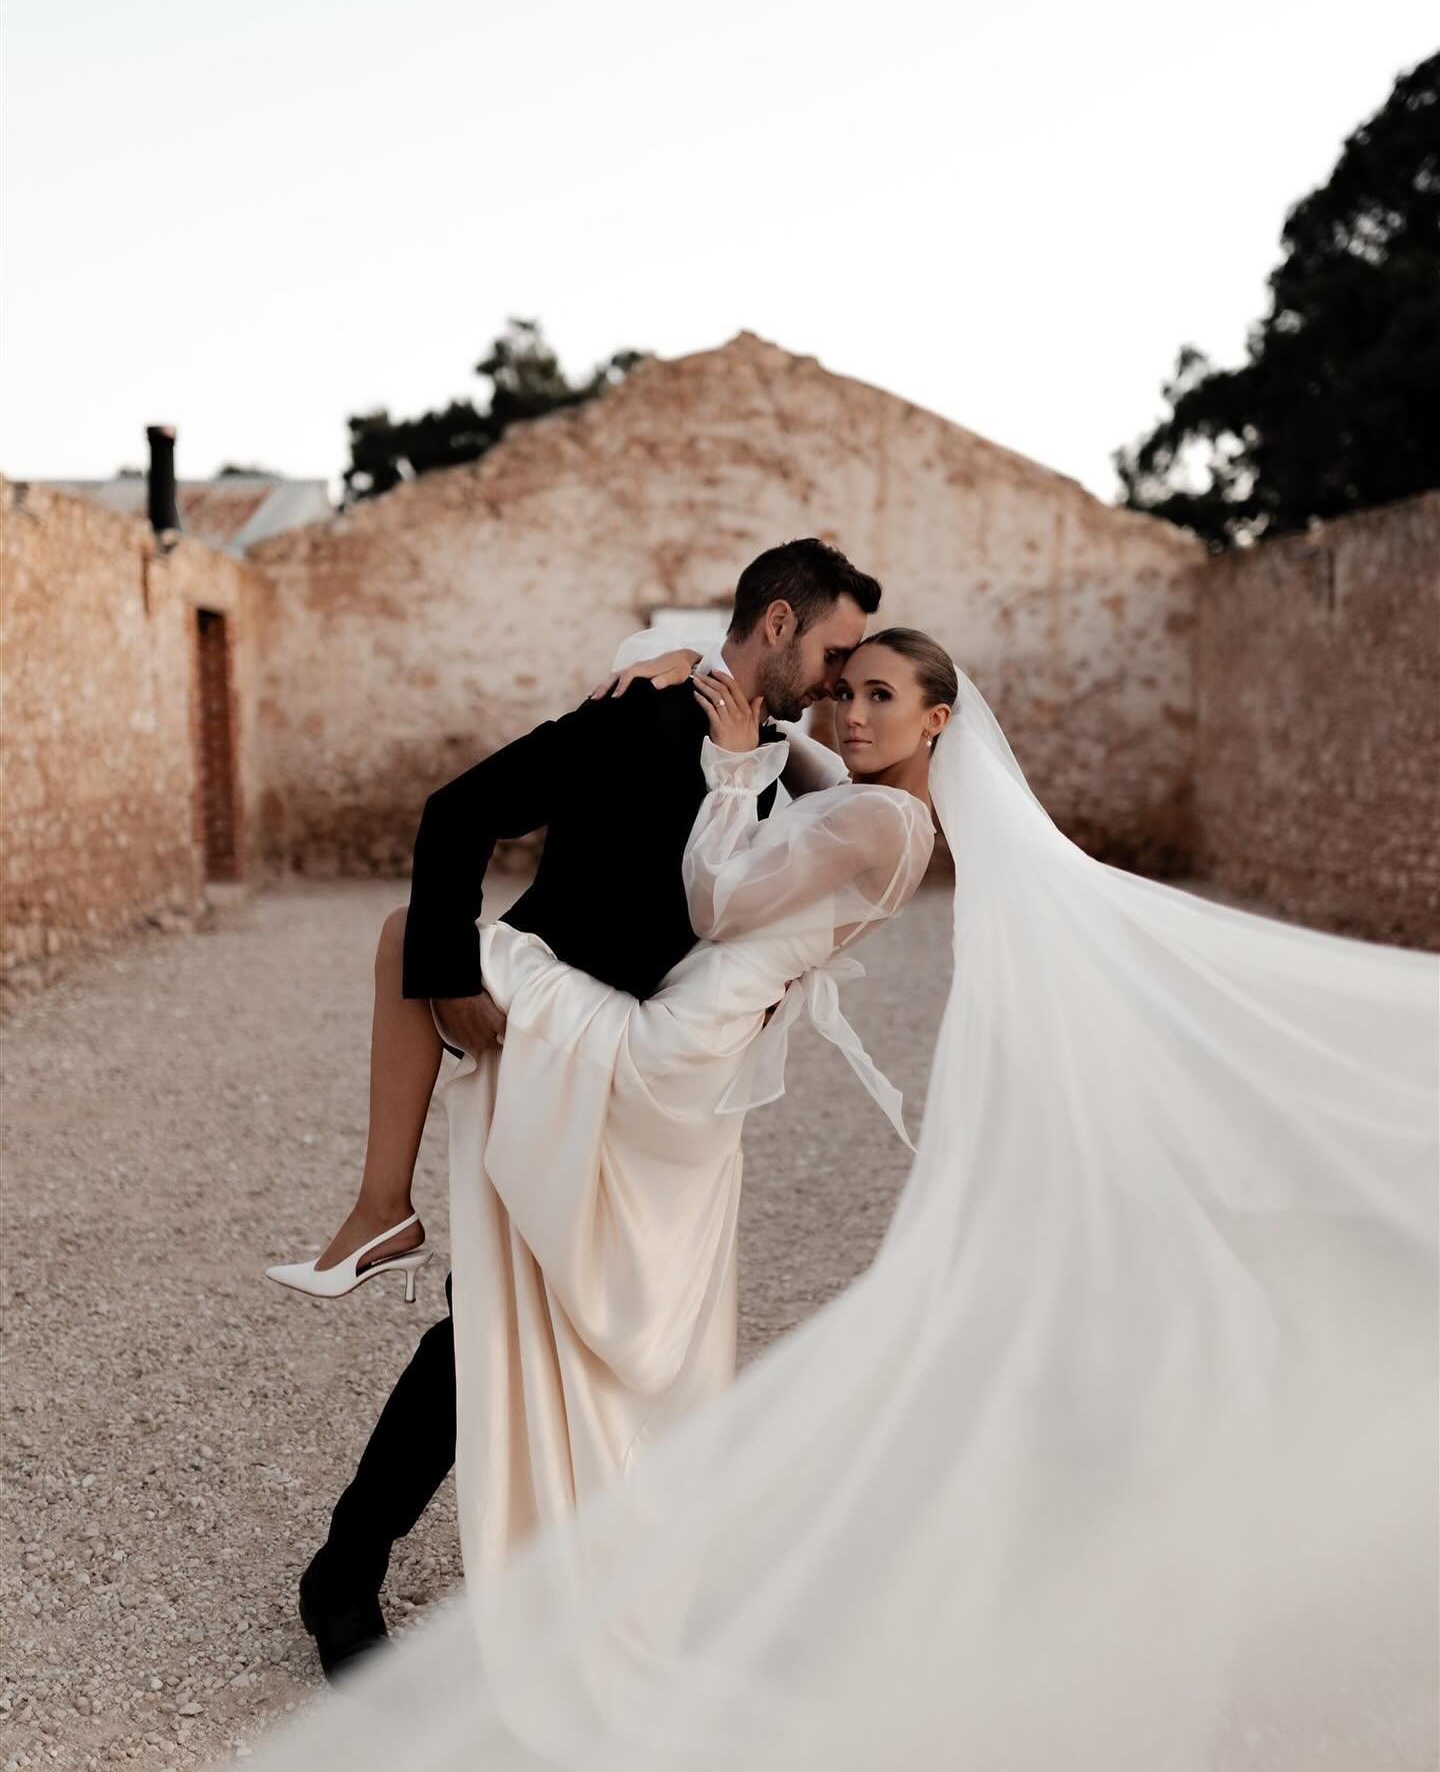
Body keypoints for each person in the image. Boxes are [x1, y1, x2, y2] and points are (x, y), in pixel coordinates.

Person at [247, 637, 1436, 1771]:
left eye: (877, 696)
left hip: (663, 1053)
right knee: (517, 1314)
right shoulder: (871, 792)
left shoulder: (877, 816)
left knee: (420, 938)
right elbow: (794, 738)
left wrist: (722, 762)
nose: (847, 711)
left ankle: (380, 1228)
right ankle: (401, 1545)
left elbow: (718, 897)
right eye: (843, 688)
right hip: (687, 1065)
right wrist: (683, 667)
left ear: (939, 722)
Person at [267, 538, 886, 1678]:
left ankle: (567, 1573)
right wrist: (454, 977)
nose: (845, 682)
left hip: (654, 1089)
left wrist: (667, 651)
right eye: (839, 652)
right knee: (483, 1323)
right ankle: (346, 1571)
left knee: (587, 1344)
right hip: (546, 1038)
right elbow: (456, 814)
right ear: (784, 623)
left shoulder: (794, 769)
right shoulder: (637, 721)